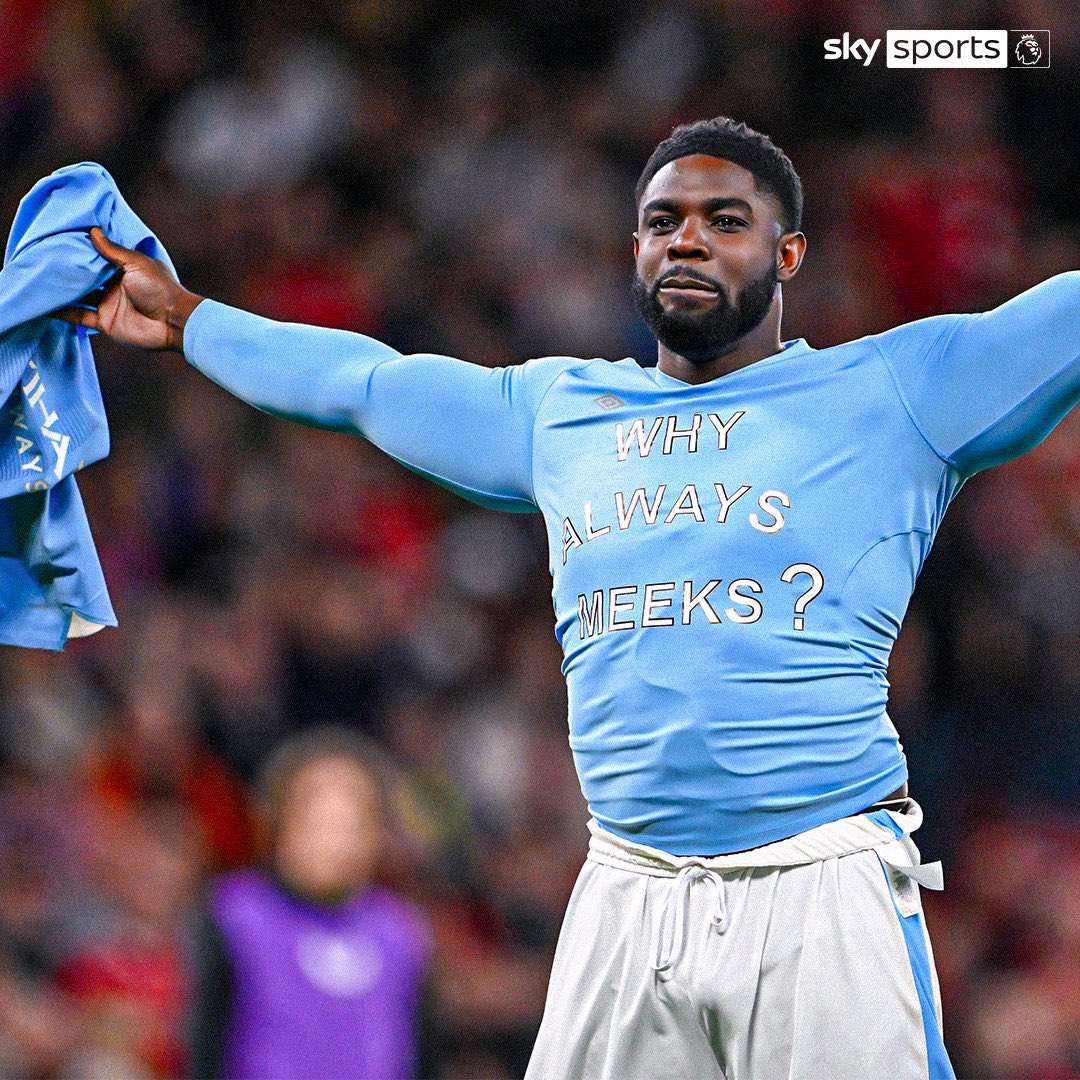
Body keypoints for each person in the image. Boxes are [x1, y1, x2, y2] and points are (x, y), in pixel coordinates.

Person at [58, 117, 1078, 1080]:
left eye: (726, 221)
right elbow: (361, 382)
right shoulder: (562, 411)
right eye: (661, 222)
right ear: (633, 255)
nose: (687, 240)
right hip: (627, 884)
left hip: (817, 879)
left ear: (790, 257)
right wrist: (192, 320)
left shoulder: (896, 388)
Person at [188, 727, 432, 1079]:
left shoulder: (400, 934)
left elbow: (422, 1055)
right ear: (280, 818)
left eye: (352, 814)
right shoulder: (235, 917)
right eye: (319, 810)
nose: (334, 831)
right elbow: (203, 1046)